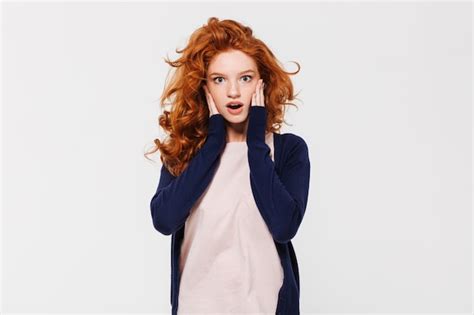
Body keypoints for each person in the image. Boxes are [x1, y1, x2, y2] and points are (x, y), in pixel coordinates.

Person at [145, 17, 311, 315]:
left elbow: (284, 225)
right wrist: (212, 144)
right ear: (204, 86)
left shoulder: (288, 151)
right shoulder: (185, 151)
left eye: (245, 78)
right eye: (219, 79)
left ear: (262, 82)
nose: (233, 91)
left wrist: (256, 140)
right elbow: (164, 220)